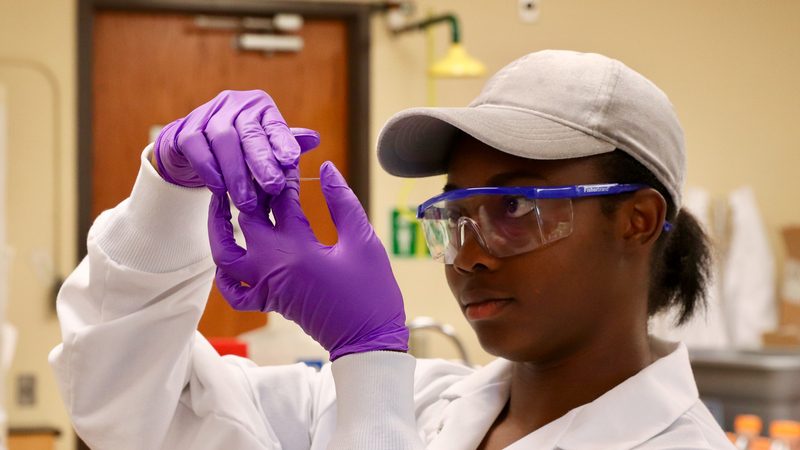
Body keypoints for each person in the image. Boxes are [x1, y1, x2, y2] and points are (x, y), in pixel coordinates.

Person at [49, 50, 735, 449]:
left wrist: (370, 360)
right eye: (456, 214)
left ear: (638, 221)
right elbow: (126, 413)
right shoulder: (430, 403)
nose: (469, 255)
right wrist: (168, 194)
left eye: (517, 208)